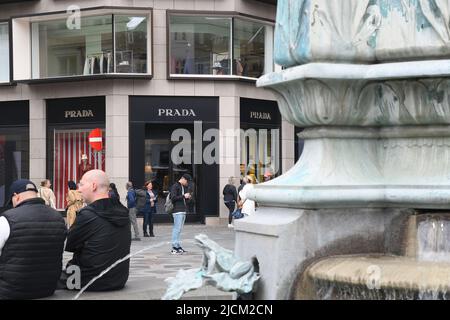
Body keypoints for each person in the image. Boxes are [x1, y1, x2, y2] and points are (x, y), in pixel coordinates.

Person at [62, 169, 131, 291]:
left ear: (93, 186)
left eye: (82, 184)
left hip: (89, 280)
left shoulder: (87, 214)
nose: (79, 189)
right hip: (118, 279)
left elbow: (70, 245)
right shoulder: (123, 212)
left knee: (40, 279)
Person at [0, 179, 67, 299]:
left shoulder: (7, 219)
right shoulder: (59, 218)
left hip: (10, 291)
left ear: (16, 196)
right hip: (47, 289)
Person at [169, 174, 192, 254]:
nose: (187, 183)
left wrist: (188, 198)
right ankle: (174, 247)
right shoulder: (175, 186)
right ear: (183, 179)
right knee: (176, 229)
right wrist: (183, 196)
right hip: (177, 211)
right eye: (187, 181)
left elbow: (185, 200)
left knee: (179, 230)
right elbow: (173, 198)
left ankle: (178, 246)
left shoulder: (184, 187)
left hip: (183, 210)